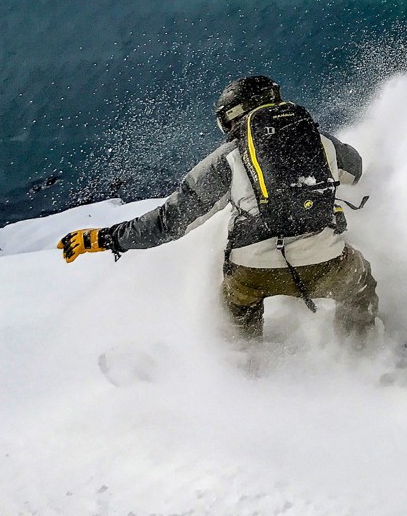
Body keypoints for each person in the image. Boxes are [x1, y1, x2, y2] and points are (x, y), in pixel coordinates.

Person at [58, 75, 379, 344]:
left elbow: (170, 222)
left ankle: (244, 377)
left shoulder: (228, 157)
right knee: (360, 283)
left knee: (238, 305)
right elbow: (357, 170)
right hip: (326, 262)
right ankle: (360, 363)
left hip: (251, 272)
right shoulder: (322, 142)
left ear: (234, 116)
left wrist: (106, 238)